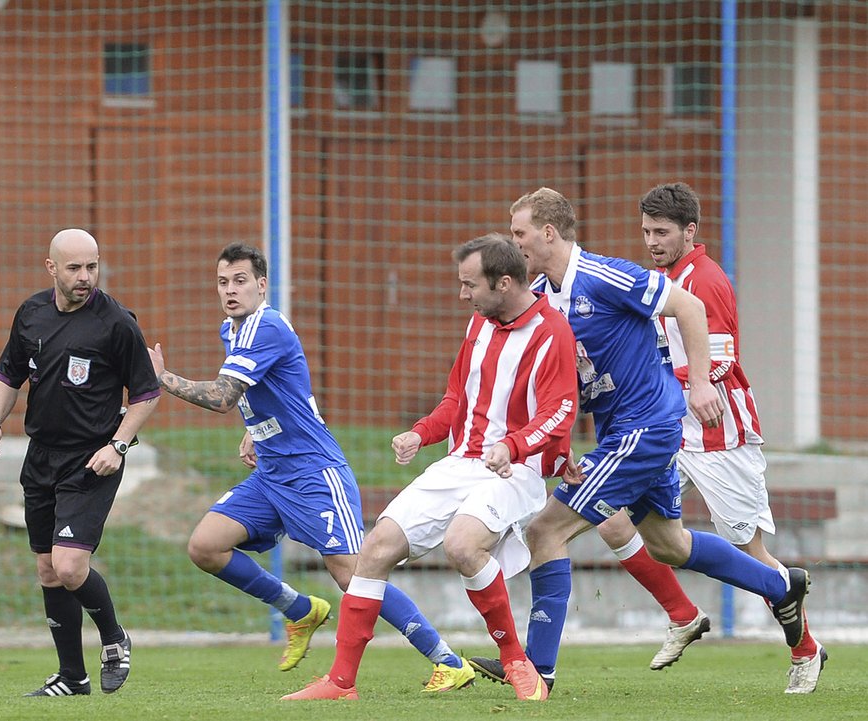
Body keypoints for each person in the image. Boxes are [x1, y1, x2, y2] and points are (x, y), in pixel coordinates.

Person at [497, 187, 810, 693]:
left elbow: (686, 307)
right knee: (669, 544)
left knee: (545, 532)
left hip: (647, 427)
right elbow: (561, 380)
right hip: (630, 428)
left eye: (520, 234)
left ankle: (537, 671)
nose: (516, 244)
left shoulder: (603, 276)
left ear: (548, 233)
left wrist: (704, 381)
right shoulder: (542, 296)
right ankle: (780, 584)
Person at [146, 242, 470, 692]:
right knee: (206, 546)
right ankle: (300, 610)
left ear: (262, 285)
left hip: (313, 472)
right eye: (223, 282)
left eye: (240, 281)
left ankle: (448, 660)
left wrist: (161, 378)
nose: (230, 291)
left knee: (354, 574)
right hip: (272, 474)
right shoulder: (232, 329)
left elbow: (222, 397)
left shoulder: (267, 327)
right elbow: (272, 390)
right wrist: (254, 430)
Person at [282, 233, 578, 702]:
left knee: (463, 545)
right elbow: (456, 398)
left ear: (503, 283)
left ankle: (517, 664)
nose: (463, 295)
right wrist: (421, 432)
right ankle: (340, 683)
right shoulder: (478, 325)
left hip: (515, 470)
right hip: (462, 462)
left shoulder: (551, 331)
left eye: (469, 285)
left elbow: (561, 411)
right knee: (376, 546)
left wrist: (514, 446)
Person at [638, 181, 825, 692]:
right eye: (647, 231)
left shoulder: (707, 281)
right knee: (613, 515)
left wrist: (653, 382)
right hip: (668, 430)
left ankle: (806, 649)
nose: (652, 241)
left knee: (749, 552)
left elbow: (718, 362)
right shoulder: (659, 279)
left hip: (721, 434)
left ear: (689, 231)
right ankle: (682, 614)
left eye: (662, 232)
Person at [0, 228, 161, 697]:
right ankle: (73, 677)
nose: (86, 277)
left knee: (69, 567)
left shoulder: (117, 323)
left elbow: (145, 394)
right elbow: (8, 373)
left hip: (92, 460)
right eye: (75, 268)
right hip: (40, 457)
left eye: (93, 266)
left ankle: (115, 638)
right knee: (46, 569)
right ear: (52, 268)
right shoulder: (32, 313)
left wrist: (118, 446)